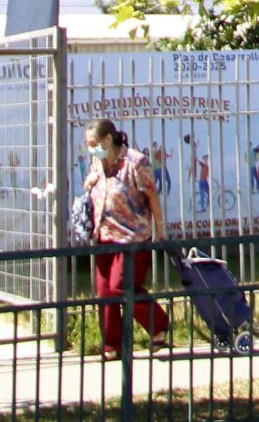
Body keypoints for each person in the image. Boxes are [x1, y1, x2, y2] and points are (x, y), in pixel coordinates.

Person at [83, 119, 169, 358]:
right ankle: (112, 345)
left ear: (108, 140)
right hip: (104, 234)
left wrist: (160, 229)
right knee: (105, 292)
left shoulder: (135, 162)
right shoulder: (98, 162)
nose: (90, 148)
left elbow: (151, 195)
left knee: (121, 287)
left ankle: (158, 324)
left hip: (132, 236)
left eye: (93, 143)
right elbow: (95, 186)